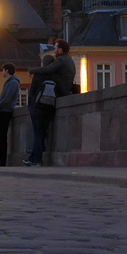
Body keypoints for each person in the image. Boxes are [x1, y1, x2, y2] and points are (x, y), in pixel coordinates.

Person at [26, 38, 78, 166]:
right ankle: (33, 157)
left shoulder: (61, 60)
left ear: (60, 49)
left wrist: (32, 71)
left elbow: (47, 70)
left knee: (38, 133)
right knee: (40, 132)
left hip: (49, 99)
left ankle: (36, 159)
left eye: (55, 48)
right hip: (58, 97)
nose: (54, 50)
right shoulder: (69, 60)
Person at [0, 62, 20, 166]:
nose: (2, 72)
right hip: (3, 110)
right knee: (1, 137)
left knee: (3, 137)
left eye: (3, 70)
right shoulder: (10, 82)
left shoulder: (13, 82)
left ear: (7, 71)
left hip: (5, 111)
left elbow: (7, 98)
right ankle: (1, 161)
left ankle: (2, 161)